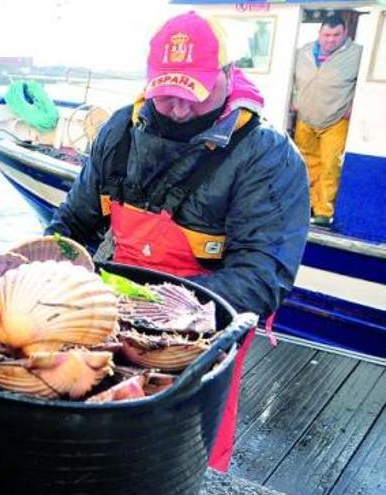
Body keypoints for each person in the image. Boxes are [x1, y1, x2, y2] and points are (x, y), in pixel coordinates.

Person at [45, 11, 309, 471]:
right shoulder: (119, 133)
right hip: (112, 319)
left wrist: (158, 312)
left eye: (194, 92)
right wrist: (40, 270)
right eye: (166, 93)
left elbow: (263, 276)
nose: (179, 108)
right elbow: (73, 222)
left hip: (203, 330)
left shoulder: (267, 156)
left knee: (186, 456)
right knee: (96, 445)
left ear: (227, 77)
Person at [292, 14, 362, 227]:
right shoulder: (302, 52)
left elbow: (365, 84)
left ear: (345, 34)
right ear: (319, 34)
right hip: (305, 119)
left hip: (336, 120)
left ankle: (323, 212)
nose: (331, 39)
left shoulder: (357, 55)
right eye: (327, 34)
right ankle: (308, 206)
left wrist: (352, 107)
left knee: (331, 166)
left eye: (336, 34)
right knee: (304, 163)